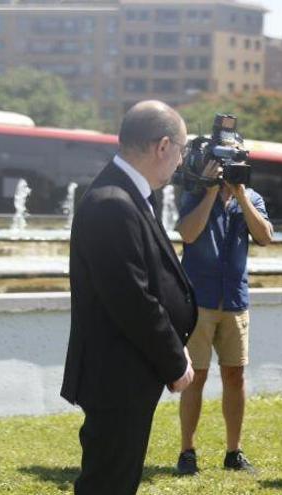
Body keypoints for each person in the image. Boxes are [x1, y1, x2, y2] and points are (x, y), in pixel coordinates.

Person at [60, 100, 197, 494]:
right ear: (163, 146)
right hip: (116, 375)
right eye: (182, 149)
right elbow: (132, 298)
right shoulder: (111, 203)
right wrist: (174, 360)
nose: (182, 160)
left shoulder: (130, 195)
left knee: (119, 480)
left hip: (130, 370)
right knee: (108, 483)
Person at [173, 159, 273, 474]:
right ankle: (187, 451)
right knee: (195, 378)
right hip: (198, 302)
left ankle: (234, 452)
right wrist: (209, 192)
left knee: (235, 376)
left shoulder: (252, 198)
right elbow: (187, 235)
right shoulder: (195, 192)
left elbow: (265, 236)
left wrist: (240, 196)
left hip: (234, 301)